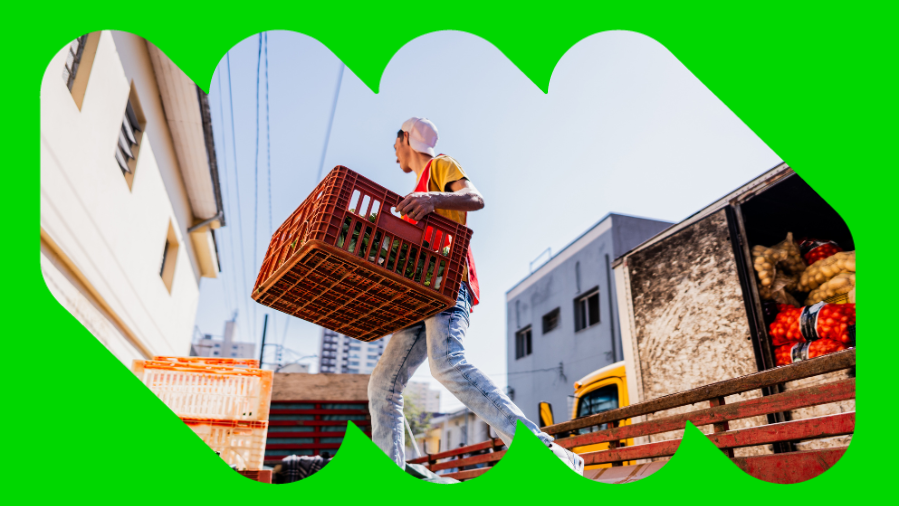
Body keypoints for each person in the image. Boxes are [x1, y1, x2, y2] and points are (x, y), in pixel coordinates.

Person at [367, 117, 584, 475]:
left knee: (446, 361)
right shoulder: (415, 192)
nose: (395, 156)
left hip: (447, 281)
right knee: (382, 386)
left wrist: (433, 198)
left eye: (395, 147)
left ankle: (545, 454)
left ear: (406, 138)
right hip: (421, 293)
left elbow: (475, 198)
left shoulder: (440, 166)